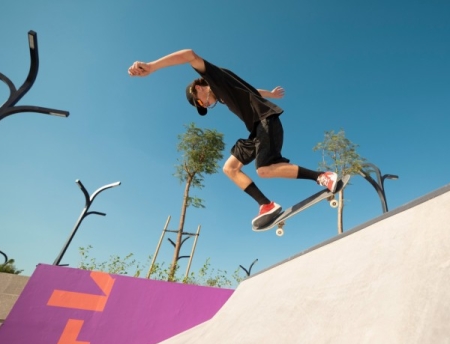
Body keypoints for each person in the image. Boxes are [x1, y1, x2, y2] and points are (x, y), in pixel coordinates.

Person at [128, 49, 337, 228]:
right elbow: (253, 90)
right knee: (229, 168)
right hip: (256, 130)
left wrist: (152, 66)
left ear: (198, 88)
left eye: (200, 103)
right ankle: (266, 204)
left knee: (264, 169)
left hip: (266, 121)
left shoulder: (214, 78)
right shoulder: (224, 89)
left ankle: (321, 176)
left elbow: (189, 54)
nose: (205, 105)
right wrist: (270, 94)